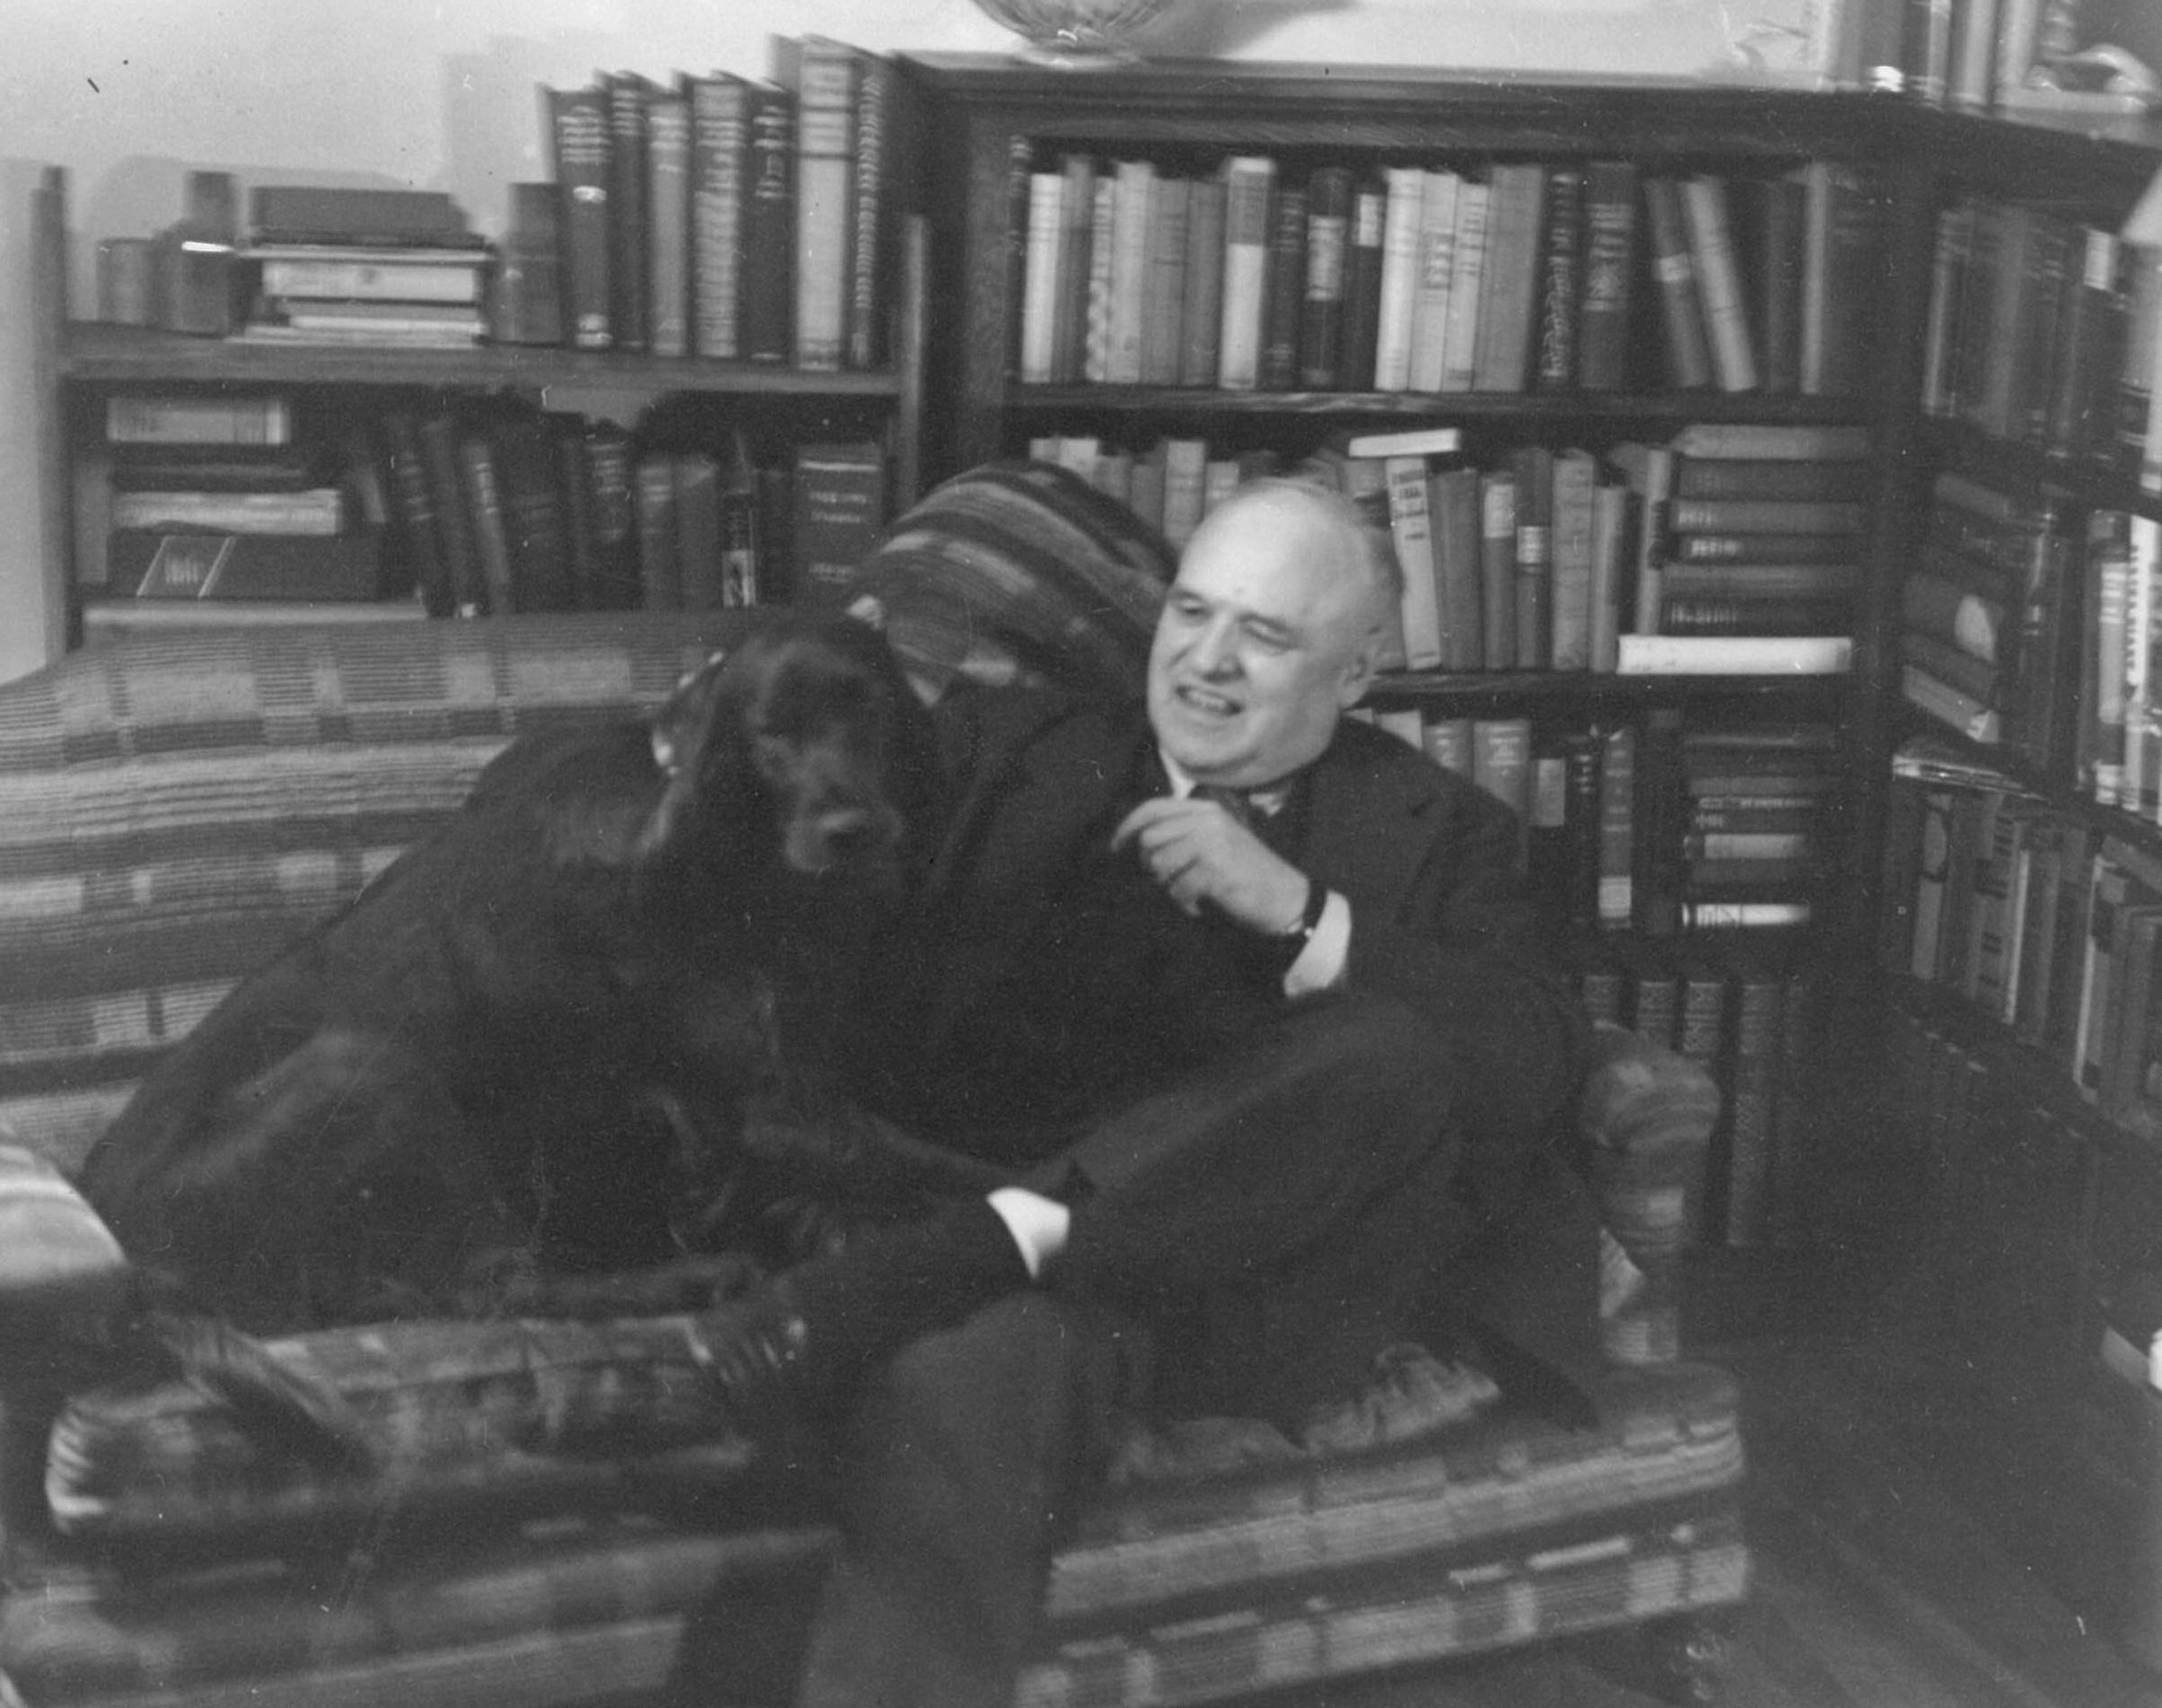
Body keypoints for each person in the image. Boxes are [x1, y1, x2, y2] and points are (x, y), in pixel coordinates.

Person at [694, 476, 1596, 1706]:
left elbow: (1534, 1063)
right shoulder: (1004, 748)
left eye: (1264, 637)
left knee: (1389, 1048)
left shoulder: (1446, 830)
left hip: (1260, 1290)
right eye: (1190, 613)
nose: (1206, 664)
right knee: (955, 1384)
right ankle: (990, 1251)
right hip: (1033, 1278)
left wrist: (1297, 912)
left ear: (1356, 676)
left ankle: (979, 1248)